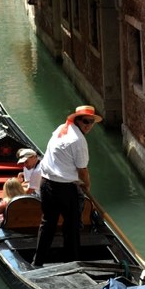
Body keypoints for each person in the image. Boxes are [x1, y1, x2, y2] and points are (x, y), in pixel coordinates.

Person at [32, 105, 102, 266]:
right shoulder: (79, 141)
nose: (89, 125)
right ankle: (72, 263)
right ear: (77, 120)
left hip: (46, 184)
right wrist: (87, 186)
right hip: (64, 188)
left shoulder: (61, 128)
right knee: (72, 227)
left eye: (92, 122)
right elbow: (82, 171)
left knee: (48, 223)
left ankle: (37, 262)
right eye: (86, 121)